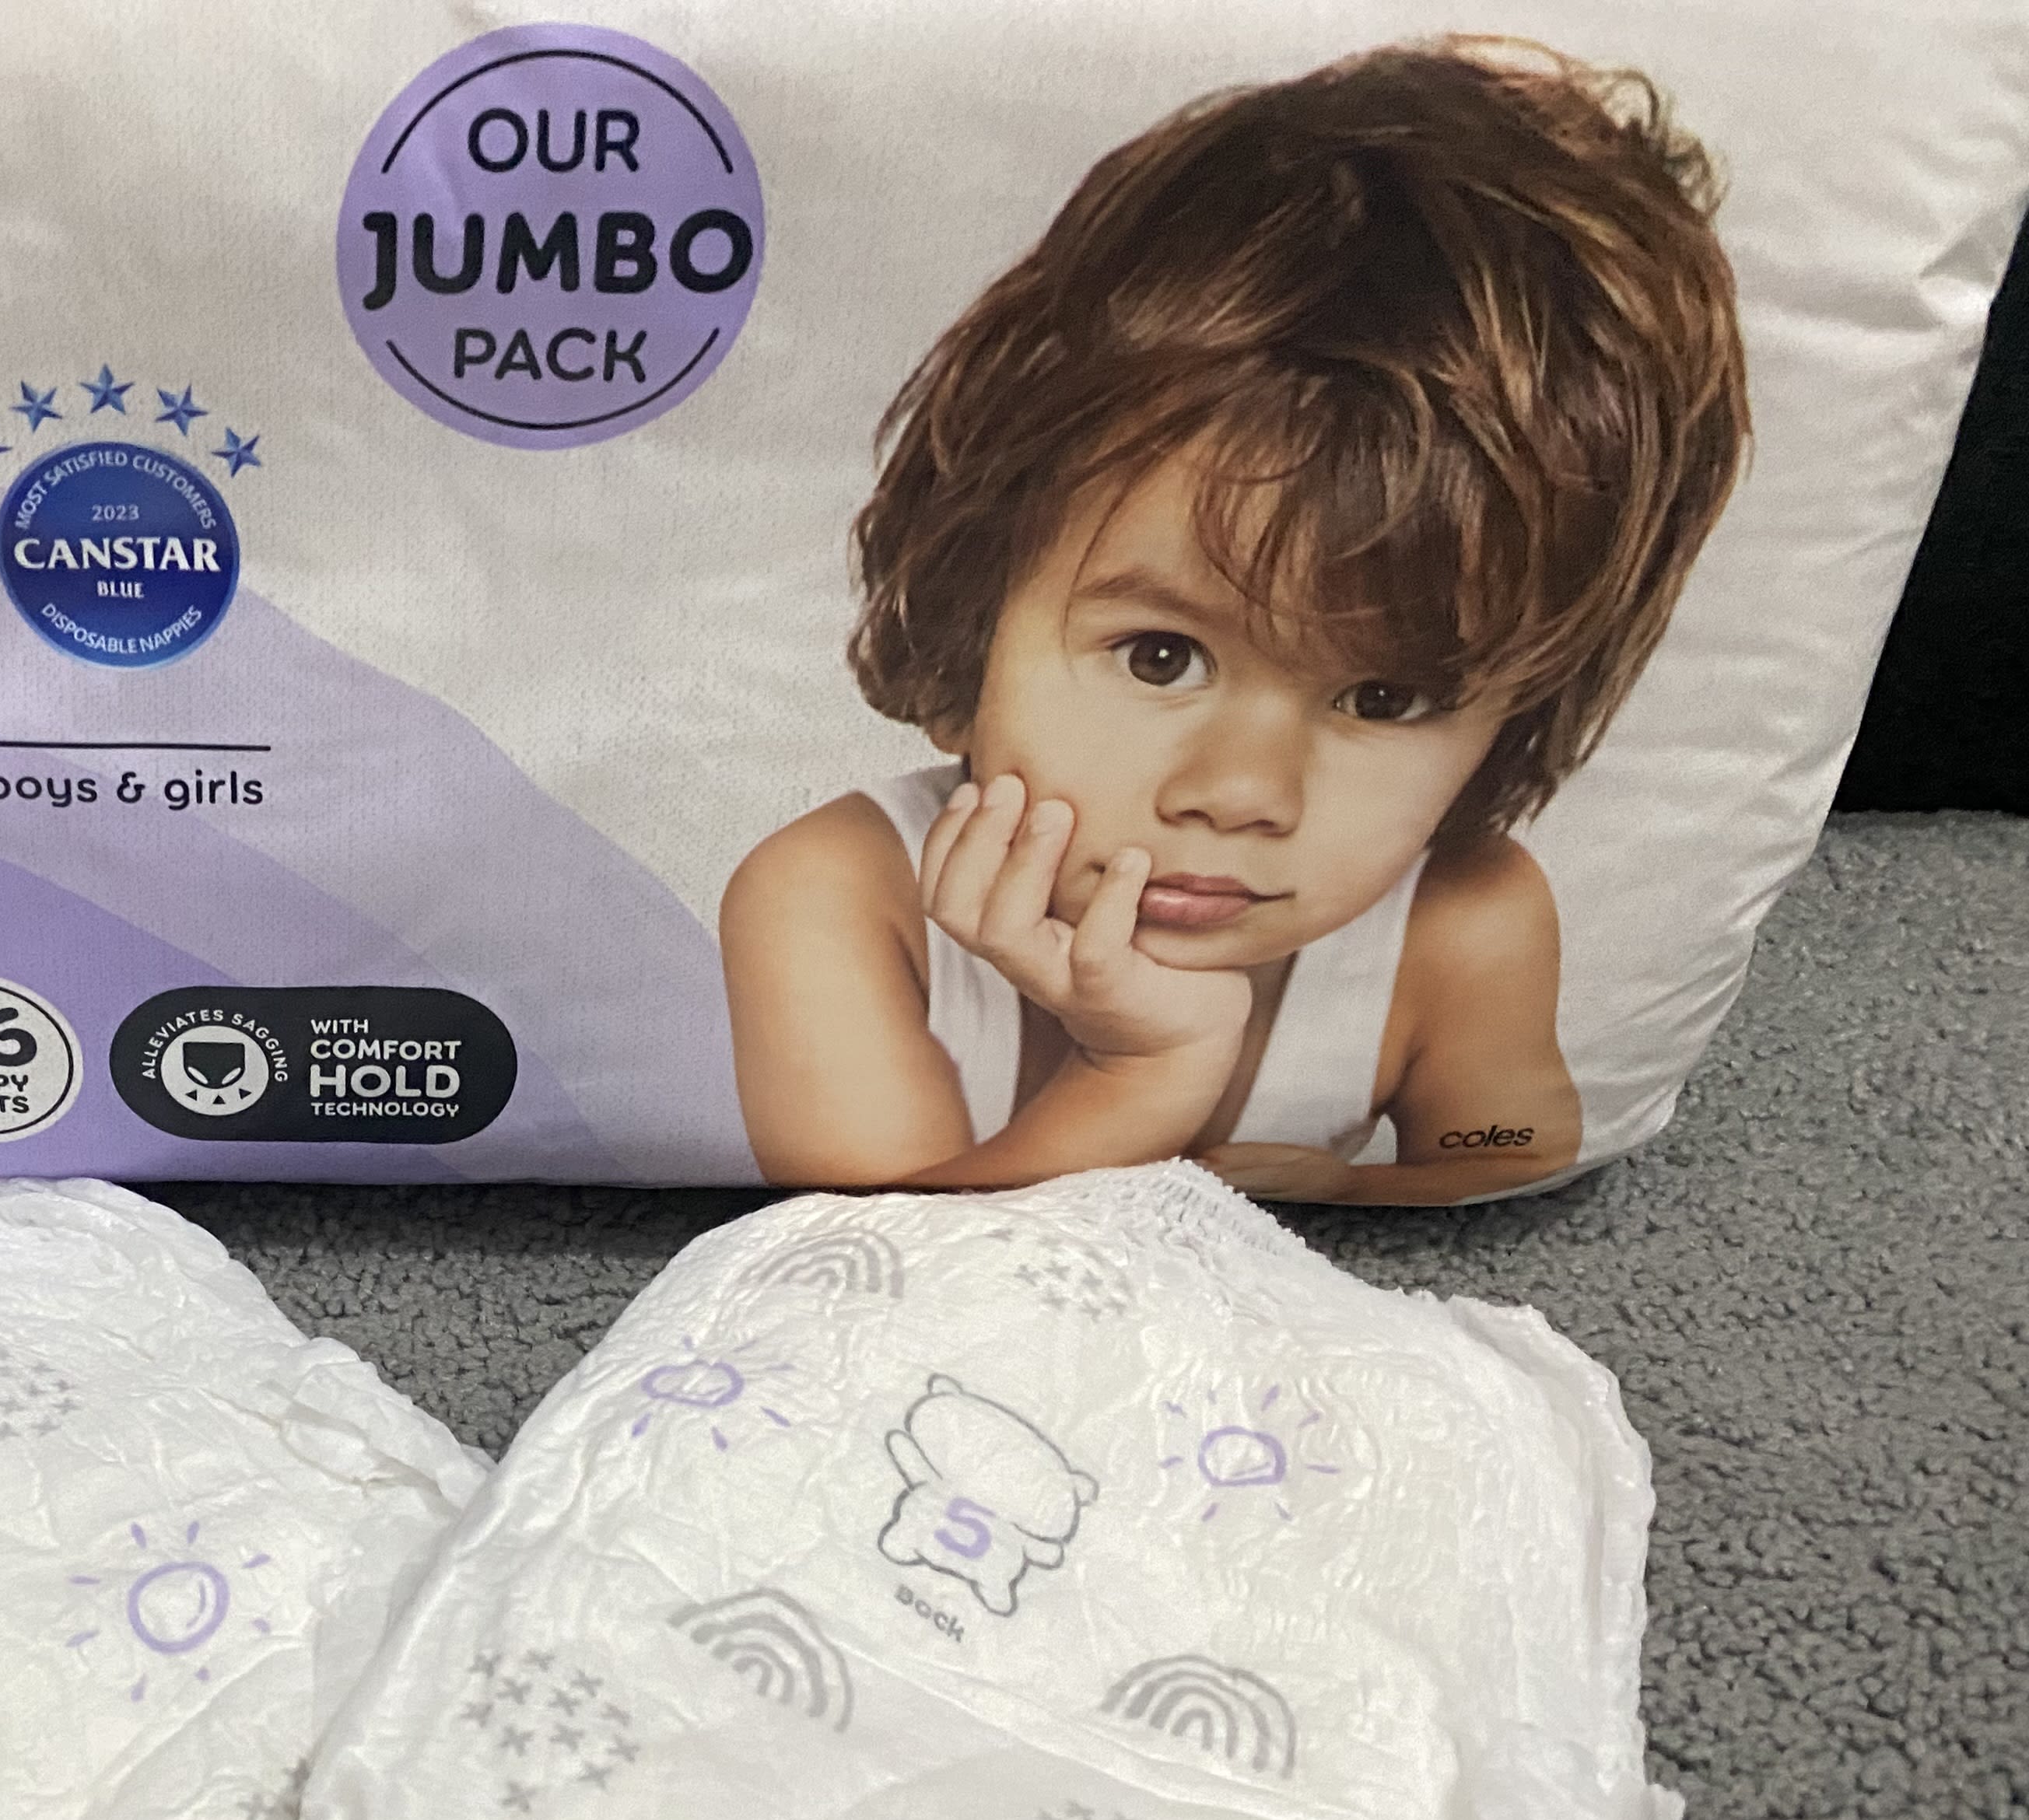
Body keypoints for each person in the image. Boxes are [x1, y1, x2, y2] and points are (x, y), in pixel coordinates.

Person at [720, 40, 1749, 1202]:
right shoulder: (840, 896)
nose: (1244, 792)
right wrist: (1143, 1075)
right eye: (1161, 658)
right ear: (972, 621)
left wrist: (1356, 1189)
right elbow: (855, 1252)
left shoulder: (1464, 923)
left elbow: (1511, 1145)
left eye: (1385, 698)